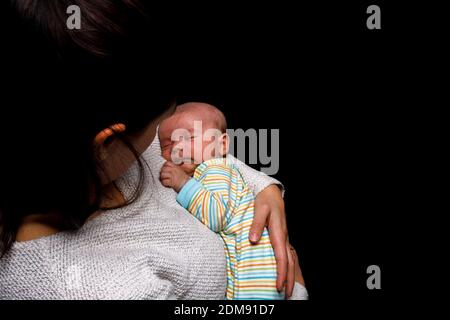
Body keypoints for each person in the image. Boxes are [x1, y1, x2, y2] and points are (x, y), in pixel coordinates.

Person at [0, 0, 305, 300]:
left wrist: (265, 190)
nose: (169, 147)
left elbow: (209, 156)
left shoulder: (89, 145)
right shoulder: (99, 288)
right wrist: (295, 277)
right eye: (163, 131)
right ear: (106, 144)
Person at [159, 102, 307, 300]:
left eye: (189, 137)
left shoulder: (214, 170)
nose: (177, 147)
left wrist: (183, 183)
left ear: (221, 145)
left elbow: (217, 215)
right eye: (166, 145)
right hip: (263, 275)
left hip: (253, 280)